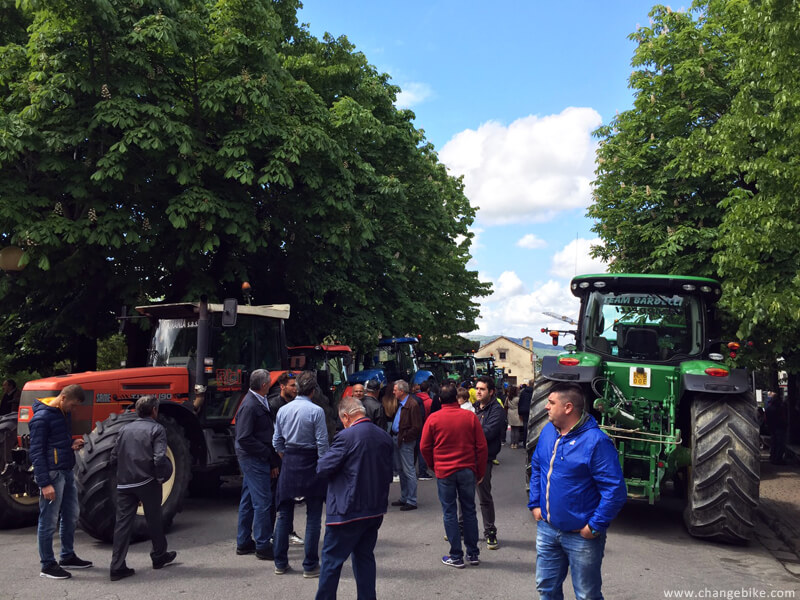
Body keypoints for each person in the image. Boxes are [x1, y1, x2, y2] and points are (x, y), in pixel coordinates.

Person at [529, 384, 627, 599]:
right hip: (547, 529)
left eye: (551, 403)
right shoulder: (548, 432)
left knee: (586, 594)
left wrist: (594, 526)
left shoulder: (596, 442)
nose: (545, 407)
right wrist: (535, 505)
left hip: (581, 537)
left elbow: (615, 490)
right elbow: (537, 466)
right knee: (546, 588)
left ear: (568, 407)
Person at [315, 396, 393, 599]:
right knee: (364, 557)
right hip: (374, 509)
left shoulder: (346, 437)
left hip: (347, 510)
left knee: (332, 561)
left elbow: (323, 467)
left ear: (346, 417)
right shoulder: (383, 436)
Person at [420, 384, 487, 569]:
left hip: (444, 471)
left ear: (440, 400)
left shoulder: (433, 419)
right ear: (457, 398)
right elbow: (481, 446)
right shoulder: (470, 417)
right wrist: (480, 471)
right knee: (469, 510)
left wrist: (433, 466)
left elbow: (424, 446)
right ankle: (473, 553)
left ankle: (456, 555)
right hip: (467, 469)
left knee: (449, 512)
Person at [109, 395, 177, 581]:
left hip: (125, 482)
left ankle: (117, 566)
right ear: (154, 410)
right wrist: (161, 477)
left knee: (122, 525)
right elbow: (159, 458)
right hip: (147, 481)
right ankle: (159, 556)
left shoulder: (124, 429)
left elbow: (114, 457)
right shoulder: (157, 429)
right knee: (154, 520)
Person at [29, 384, 93, 579]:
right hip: (52, 475)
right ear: (63, 398)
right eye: (73, 405)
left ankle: (67, 556)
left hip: (65, 470)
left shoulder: (62, 413)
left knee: (72, 514)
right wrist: (44, 483)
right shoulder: (41, 418)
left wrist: (70, 444)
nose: (74, 409)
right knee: (48, 521)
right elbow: (37, 452)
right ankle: (47, 565)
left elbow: (55, 443)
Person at [272, 370, 330, 577]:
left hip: (290, 460)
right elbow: (322, 443)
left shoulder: (283, 410)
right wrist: (323, 467)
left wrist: (284, 456)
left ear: (297, 388)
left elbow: (276, 440)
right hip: (311, 460)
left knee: (284, 513)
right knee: (313, 516)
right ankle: (310, 565)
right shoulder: (316, 412)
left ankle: (280, 563)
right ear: (313, 391)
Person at [235, 369, 281, 560]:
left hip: (254, 456)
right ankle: (263, 545)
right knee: (262, 501)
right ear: (264, 385)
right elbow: (244, 438)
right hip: (254, 457)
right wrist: (266, 453)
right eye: (269, 382)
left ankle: (244, 541)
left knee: (248, 499)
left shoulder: (257, 401)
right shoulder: (251, 405)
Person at [267, 372, 304, 546]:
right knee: (275, 498)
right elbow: (272, 436)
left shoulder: (296, 404)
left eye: (296, 385)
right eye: (291, 385)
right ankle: (272, 534)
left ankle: (287, 531)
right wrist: (274, 462)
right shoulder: (274, 405)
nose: (295, 389)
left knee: (288, 497)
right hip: (279, 457)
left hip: (291, 458)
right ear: (282, 387)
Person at [473, 376, 506, 550]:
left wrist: (468, 434)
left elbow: (488, 432)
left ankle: (490, 532)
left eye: (482, 389)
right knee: (463, 494)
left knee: (484, 496)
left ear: (491, 392)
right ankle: (462, 527)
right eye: (477, 388)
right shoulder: (475, 408)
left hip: (484, 459)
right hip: (468, 457)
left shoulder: (497, 410)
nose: (478, 391)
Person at [389, 380, 423, 511]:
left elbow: (416, 426)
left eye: (395, 389)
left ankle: (411, 500)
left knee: (408, 470)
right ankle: (405, 497)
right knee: (401, 470)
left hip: (405, 440)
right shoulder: (403, 403)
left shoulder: (412, 404)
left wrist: (404, 437)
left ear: (401, 391)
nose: (393, 392)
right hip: (399, 438)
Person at [765, 391, 788, 465]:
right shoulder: (780, 408)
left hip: (772, 427)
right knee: (780, 444)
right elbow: (783, 417)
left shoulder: (768, 408)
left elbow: (766, 419)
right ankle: (778, 459)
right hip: (780, 427)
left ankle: (772, 457)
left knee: (773, 443)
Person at [518, 380, 534, 448]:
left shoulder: (523, 392)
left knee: (525, 428)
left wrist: (519, 412)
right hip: (532, 411)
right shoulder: (535, 392)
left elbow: (520, 402)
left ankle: (525, 443)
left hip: (524, 411)